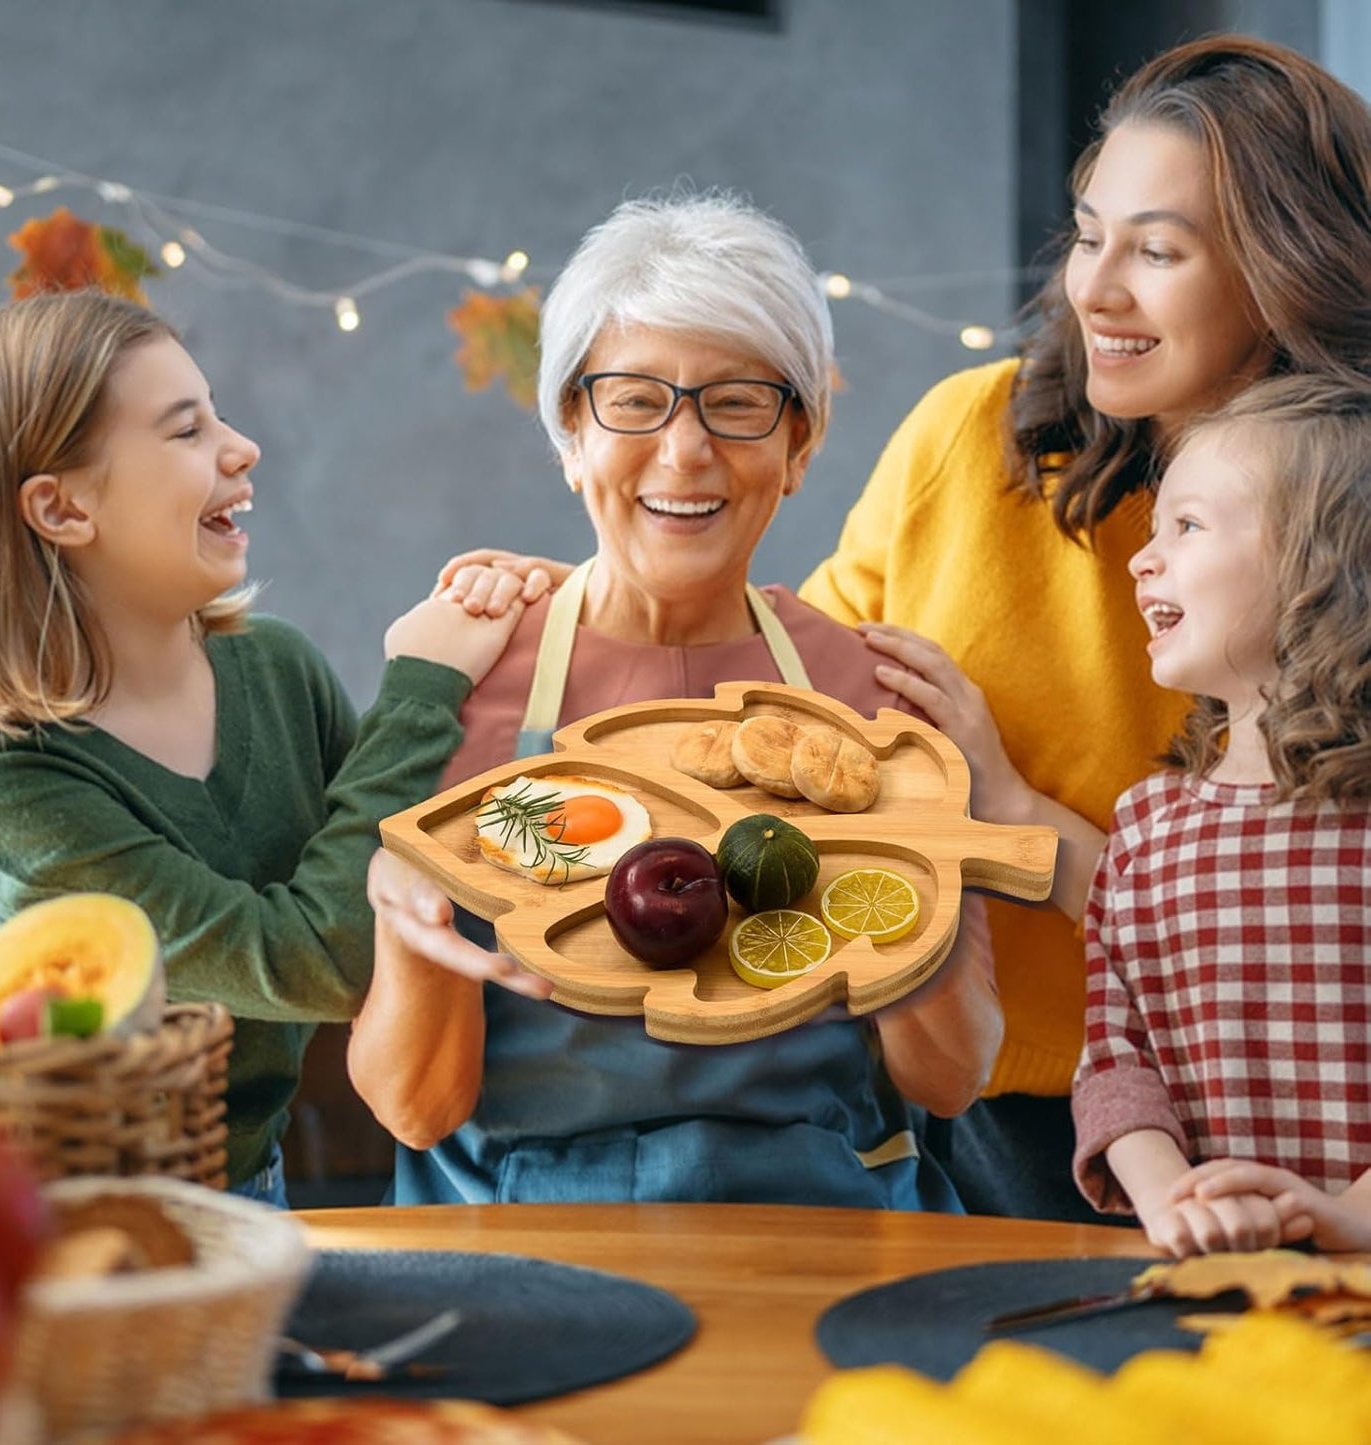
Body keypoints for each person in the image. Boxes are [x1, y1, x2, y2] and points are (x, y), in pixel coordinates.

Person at [437, 36, 1371, 1221]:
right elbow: (772, 690)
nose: (1095, 289)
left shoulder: (1346, 535)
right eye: (1089, 235)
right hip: (989, 1120)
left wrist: (1005, 811)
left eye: (1157, 250)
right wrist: (592, 595)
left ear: (1282, 270)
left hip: (1285, 1137)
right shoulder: (970, 434)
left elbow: (1294, 909)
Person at [350, 191, 1004, 1210]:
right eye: (632, 398)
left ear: (799, 445)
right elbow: (414, 1104)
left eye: (737, 401)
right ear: (570, 430)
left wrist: (904, 870)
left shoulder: (866, 702)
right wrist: (410, 909)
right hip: (521, 1233)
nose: (684, 450)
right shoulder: (464, 682)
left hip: (819, 1217)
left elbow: (948, 1075)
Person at [0, 291, 524, 1203]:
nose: (241, 448)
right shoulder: (9, 784)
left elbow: (403, 851)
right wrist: (420, 687)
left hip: (255, 1181)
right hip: (80, 1228)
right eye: (185, 431)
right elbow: (322, 957)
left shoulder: (275, 666)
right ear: (62, 507)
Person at [1071, 374, 1371, 1256]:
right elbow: (1115, 1064)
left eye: (1187, 526)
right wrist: (1176, 1205)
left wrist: (1351, 1215)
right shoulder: (1144, 827)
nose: (1141, 557)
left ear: (1321, 561)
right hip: (1208, 1275)